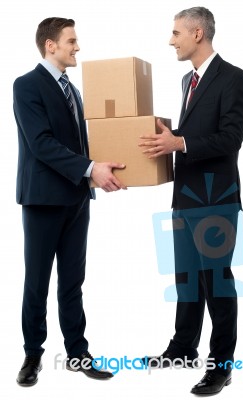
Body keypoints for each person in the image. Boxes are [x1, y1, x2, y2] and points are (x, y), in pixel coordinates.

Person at [139, 7, 243, 395]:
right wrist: (170, 133)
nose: (171, 40)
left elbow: (230, 139)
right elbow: (194, 133)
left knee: (216, 282)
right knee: (186, 279)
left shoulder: (235, 78)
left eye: (176, 33)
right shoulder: (189, 79)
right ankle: (183, 347)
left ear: (198, 34)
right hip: (185, 197)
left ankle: (221, 367)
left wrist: (180, 141)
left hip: (216, 198)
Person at [13, 17, 126, 387]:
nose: (77, 47)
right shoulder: (27, 85)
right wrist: (91, 168)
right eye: (71, 41)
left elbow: (80, 147)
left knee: (73, 282)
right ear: (50, 45)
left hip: (77, 199)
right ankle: (32, 355)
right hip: (44, 200)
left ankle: (78, 353)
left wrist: (103, 169)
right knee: (37, 282)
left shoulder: (73, 91)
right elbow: (41, 143)